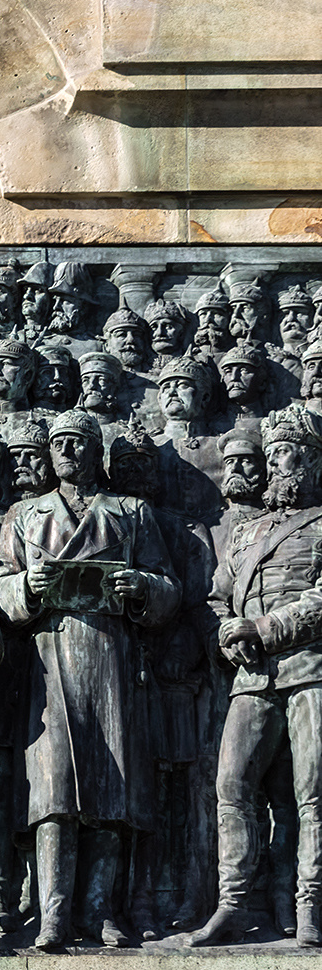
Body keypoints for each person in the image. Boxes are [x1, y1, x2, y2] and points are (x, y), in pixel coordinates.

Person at [0, 408, 180, 949]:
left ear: (97, 451)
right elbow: (0, 589)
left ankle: (100, 908)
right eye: (60, 444)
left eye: (79, 442)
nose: (68, 453)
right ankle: (53, 912)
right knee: (53, 787)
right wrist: (27, 585)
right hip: (48, 661)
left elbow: (170, 588)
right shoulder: (25, 514)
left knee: (109, 787)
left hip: (112, 658)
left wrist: (141, 586)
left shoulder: (131, 512)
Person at [191, 404, 322, 947]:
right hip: (253, 680)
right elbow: (216, 597)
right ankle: (235, 903)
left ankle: (312, 903)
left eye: (286, 453)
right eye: (269, 455)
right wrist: (227, 632)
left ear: (312, 462)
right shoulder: (249, 534)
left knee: (314, 791)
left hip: (311, 673)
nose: (274, 464)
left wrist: (263, 628)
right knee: (232, 785)